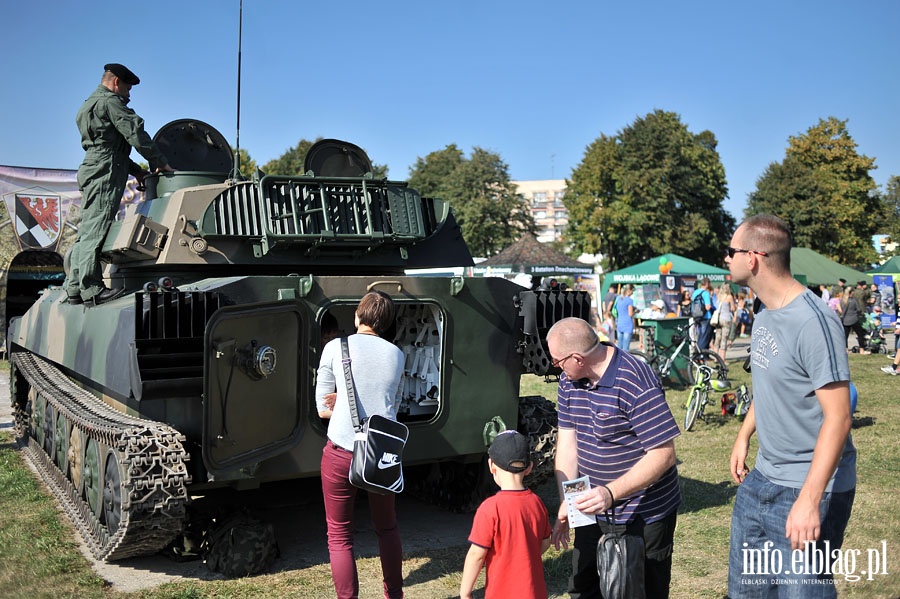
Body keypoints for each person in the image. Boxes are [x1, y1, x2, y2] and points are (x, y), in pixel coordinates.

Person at [725, 214, 856, 596]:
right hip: (761, 479)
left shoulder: (815, 322)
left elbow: (839, 416)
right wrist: (744, 435)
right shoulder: (764, 315)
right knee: (745, 592)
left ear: (753, 258)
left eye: (731, 252)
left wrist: (809, 501)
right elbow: (769, 384)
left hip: (810, 486)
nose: (726, 259)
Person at [547, 317, 681, 598]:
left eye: (558, 361)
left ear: (578, 358)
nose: (555, 366)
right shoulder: (568, 380)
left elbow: (663, 454)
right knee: (585, 587)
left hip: (644, 514)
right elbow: (568, 443)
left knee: (640, 589)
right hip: (590, 510)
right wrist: (568, 502)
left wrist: (610, 493)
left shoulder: (634, 378)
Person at [315, 291, 405, 599]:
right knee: (388, 528)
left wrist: (341, 402)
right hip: (381, 453)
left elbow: (322, 409)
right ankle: (394, 594)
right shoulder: (397, 354)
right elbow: (393, 405)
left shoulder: (334, 348)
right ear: (388, 322)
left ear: (357, 315)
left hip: (341, 450)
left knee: (340, 535)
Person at [64, 63, 174, 306]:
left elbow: (110, 148)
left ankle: (73, 288)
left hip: (95, 167)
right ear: (115, 83)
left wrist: (138, 172)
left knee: (87, 230)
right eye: (127, 88)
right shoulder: (111, 102)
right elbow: (134, 134)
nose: (128, 94)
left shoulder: (89, 104)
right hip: (105, 172)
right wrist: (159, 161)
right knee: (96, 230)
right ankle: (91, 290)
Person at [459, 430, 552, 599]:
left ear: (491, 466)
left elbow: (476, 555)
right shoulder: (537, 503)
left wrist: (465, 592)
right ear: (529, 468)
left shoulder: (490, 508)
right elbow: (546, 541)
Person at [840, 286, 868, 354]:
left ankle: (846, 349)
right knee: (860, 334)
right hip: (854, 319)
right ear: (851, 292)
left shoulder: (842, 301)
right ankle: (862, 349)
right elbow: (858, 309)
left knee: (845, 336)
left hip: (845, 320)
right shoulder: (853, 300)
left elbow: (842, 310)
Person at [713, 284, 736, 359]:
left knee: (717, 338)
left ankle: (715, 358)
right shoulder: (729, 297)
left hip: (719, 319)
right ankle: (722, 359)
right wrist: (734, 306)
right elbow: (733, 308)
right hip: (726, 319)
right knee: (724, 339)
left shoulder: (719, 296)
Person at [691, 277, 714, 350]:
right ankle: (701, 354)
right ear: (707, 283)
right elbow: (708, 307)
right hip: (706, 317)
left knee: (699, 335)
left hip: (697, 316)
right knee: (704, 336)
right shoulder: (706, 293)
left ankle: (698, 352)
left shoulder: (695, 292)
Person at [613, 284, 636, 350]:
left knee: (619, 347)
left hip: (619, 324)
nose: (632, 293)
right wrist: (635, 311)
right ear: (628, 291)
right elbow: (630, 314)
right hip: (627, 325)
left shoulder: (618, 299)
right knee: (625, 349)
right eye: (632, 291)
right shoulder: (629, 300)